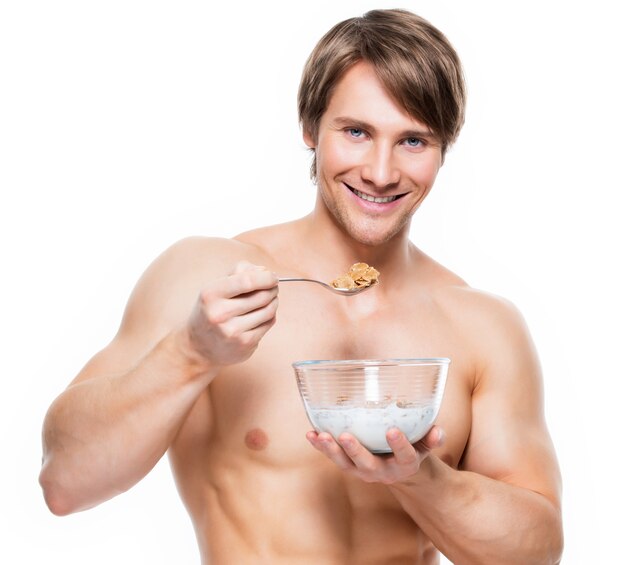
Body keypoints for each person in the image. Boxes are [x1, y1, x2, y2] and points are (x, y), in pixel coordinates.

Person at [39, 8, 563, 564]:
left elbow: (536, 551)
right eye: (356, 132)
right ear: (311, 128)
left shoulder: (481, 326)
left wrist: (420, 479)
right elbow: (64, 483)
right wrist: (191, 353)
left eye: (413, 141)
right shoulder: (209, 279)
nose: (381, 172)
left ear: (444, 149)